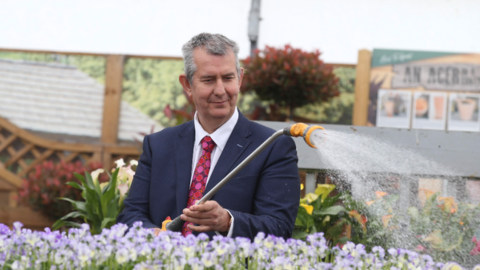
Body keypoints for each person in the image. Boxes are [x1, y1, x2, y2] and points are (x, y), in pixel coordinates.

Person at [117, 33, 300, 240]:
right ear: (187, 84)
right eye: (209, 80)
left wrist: (228, 222)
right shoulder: (158, 145)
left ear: (240, 78)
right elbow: (130, 216)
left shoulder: (272, 146)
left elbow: (280, 227)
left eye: (228, 78)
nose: (221, 90)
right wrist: (154, 235)